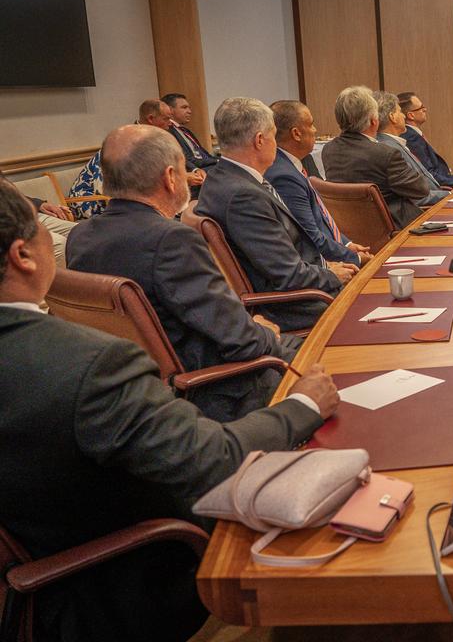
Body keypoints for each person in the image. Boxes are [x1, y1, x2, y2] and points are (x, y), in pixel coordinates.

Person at [0, 178, 339, 642]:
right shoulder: (89, 366)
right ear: (24, 255)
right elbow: (215, 462)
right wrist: (305, 404)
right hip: (131, 578)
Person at [67, 124, 302, 422]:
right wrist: (266, 332)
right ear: (169, 177)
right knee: (325, 355)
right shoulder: (171, 240)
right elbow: (243, 341)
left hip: (136, 396)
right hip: (221, 389)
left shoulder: (80, 236)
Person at [197, 97, 353, 331]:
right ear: (260, 140)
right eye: (273, 135)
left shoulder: (222, 179)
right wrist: (332, 274)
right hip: (296, 305)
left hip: (303, 286)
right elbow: (288, 275)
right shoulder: (244, 196)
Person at [320, 85, 445, 228]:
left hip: (351, 233)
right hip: (400, 230)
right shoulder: (385, 154)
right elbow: (420, 190)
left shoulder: (328, 150)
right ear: (374, 121)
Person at [265, 99, 370, 266]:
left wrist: (347, 245)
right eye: (311, 124)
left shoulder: (289, 164)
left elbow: (321, 220)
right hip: (323, 266)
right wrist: (353, 258)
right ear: (296, 134)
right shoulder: (284, 176)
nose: (315, 130)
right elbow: (310, 235)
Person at [372, 90, 449, 205]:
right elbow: (417, 197)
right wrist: (451, 195)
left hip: (437, 197)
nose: (403, 115)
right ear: (392, 117)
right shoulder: (391, 150)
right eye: (400, 112)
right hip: (429, 209)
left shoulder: (392, 143)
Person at [397, 91, 453, 187]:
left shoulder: (414, 134)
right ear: (411, 115)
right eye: (421, 108)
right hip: (445, 184)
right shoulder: (411, 137)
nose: (425, 109)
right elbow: (430, 175)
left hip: (448, 179)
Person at [161, 92, 216, 171]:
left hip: (207, 165)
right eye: (184, 107)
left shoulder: (185, 130)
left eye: (189, 108)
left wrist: (218, 160)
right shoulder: (168, 131)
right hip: (197, 170)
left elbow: (203, 153)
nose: (189, 111)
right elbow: (186, 159)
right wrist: (216, 161)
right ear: (170, 110)